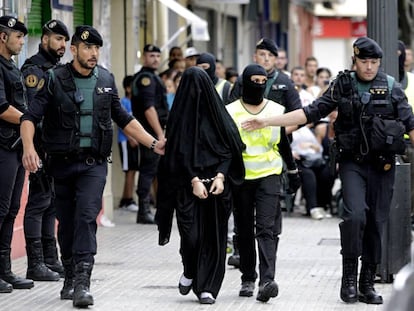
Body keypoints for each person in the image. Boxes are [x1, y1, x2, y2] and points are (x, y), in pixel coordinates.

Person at [241, 36, 414, 305]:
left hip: (383, 166)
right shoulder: (342, 86)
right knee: (355, 216)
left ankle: (366, 283)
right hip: (352, 163)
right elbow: (308, 113)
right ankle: (348, 279)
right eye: (364, 61)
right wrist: (266, 121)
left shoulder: (391, 87)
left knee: (376, 224)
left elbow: (410, 125)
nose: (369, 67)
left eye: (374, 62)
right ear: (354, 60)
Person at [20, 25, 165, 308]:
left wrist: (153, 143)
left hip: (93, 166)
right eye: (87, 48)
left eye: (97, 48)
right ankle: (70, 274)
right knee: (67, 221)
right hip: (60, 165)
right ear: (74, 50)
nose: (93, 53)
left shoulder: (106, 80)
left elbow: (124, 118)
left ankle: (83, 282)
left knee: (87, 217)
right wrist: (28, 148)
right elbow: (29, 116)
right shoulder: (53, 79)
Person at [155, 66, 245, 304]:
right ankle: (190, 270)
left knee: (214, 240)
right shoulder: (177, 120)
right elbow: (175, 156)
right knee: (192, 237)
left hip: (217, 187)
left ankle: (207, 287)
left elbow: (231, 150)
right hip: (187, 187)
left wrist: (220, 177)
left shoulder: (219, 117)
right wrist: (194, 180)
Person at [226, 64, 300, 303]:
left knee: (266, 229)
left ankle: (267, 280)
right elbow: (225, 147)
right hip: (241, 177)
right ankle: (248, 276)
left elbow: (282, 143)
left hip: (269, 174)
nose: (258, 84)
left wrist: (293, 170)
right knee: (244, 229)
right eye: (253, 80)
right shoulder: (230, 111)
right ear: (244, 83)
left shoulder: (276, 110)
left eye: (262, 80)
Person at [20, 19, 70, 282]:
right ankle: (35, 263)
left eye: (65, 41)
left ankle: (50, 258)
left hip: (56, 146)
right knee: (39, 202)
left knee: (51, 202)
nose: (63, 45)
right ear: (45, 39)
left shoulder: (57, 69)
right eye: (58, 39)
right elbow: (34, 112)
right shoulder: (35, 69)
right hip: (40, 145)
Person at [0, 15, 34, 294]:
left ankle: (4, 270)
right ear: (3, 37)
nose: (22, 41)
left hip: (15, 146)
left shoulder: (11, 66)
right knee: (0, 210)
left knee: (11, 209)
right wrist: (30, 120)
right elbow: (1, 108)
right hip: (1, 148)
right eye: (19, 36)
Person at [131, 44, 169, 224]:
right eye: (151, 55)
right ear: (143, 57)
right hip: (150, 132)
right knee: (148, 170)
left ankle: (149, 208)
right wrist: (159, 135)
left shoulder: (152, 77)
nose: (155, 59)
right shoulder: (146, 78)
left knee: (152, 170)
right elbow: (149, 109)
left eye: (157, 55)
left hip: (150, 131)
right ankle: (143, 210)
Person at [117, 75, 139, 212]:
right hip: (126, 142)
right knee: (129, 170)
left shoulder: (136, 103)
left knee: (133, 169)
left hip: (135, 142)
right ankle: (127, 199)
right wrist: (131, 138)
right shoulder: (123, 102)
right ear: (128, 88)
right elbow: (121, 122)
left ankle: (127, 198)